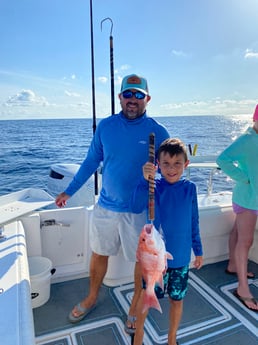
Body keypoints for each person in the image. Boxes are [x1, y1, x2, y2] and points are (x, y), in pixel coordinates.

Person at [55, 74, 170, 330]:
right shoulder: (106, 127)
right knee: (99, 253)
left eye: (139, 95)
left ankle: (136, 305)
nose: (132, 99)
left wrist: (158, 172)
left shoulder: (158, 131)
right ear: (120, 97)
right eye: (128, 94)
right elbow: (90, 163)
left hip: (139, 211)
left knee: (143, 261)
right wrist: (68, 192)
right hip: (106, 207)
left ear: (147, 99)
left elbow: (172, 168)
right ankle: (92, 296)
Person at [130, 138, 203, 345]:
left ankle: (172, 339)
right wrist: (144, 180)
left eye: (177, 163)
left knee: (176, 300)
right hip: (153, 259)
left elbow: (194, 221)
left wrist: (198, 250)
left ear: (186, 165)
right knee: (147, 294)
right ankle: (138, 335)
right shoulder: (153, 186)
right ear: (158, 165)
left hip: (180, 259)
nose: (171, 169)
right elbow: (135, 206)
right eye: (166, 164)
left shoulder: (190, 189)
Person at [216, 104, 258, 312]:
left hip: (253, 199)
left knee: (237, 232)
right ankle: (242, 289)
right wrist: (245, 179)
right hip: (248, 199)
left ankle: (233, 265)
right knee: (246, 240)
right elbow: (222, 160)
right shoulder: (247, 139)